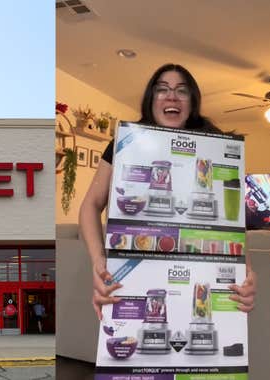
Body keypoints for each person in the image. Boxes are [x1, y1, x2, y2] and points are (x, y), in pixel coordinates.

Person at [78, 63, 256, 321]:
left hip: (200, 272)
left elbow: (230, 225)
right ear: (151, 100)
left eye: (181, 91)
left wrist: (246, 273)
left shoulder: (216, 146)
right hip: (135, 271)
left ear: (192, 102)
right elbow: (90, 205)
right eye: (162, 89)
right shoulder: (125, 143)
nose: (172, 96)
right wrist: (99, 261)